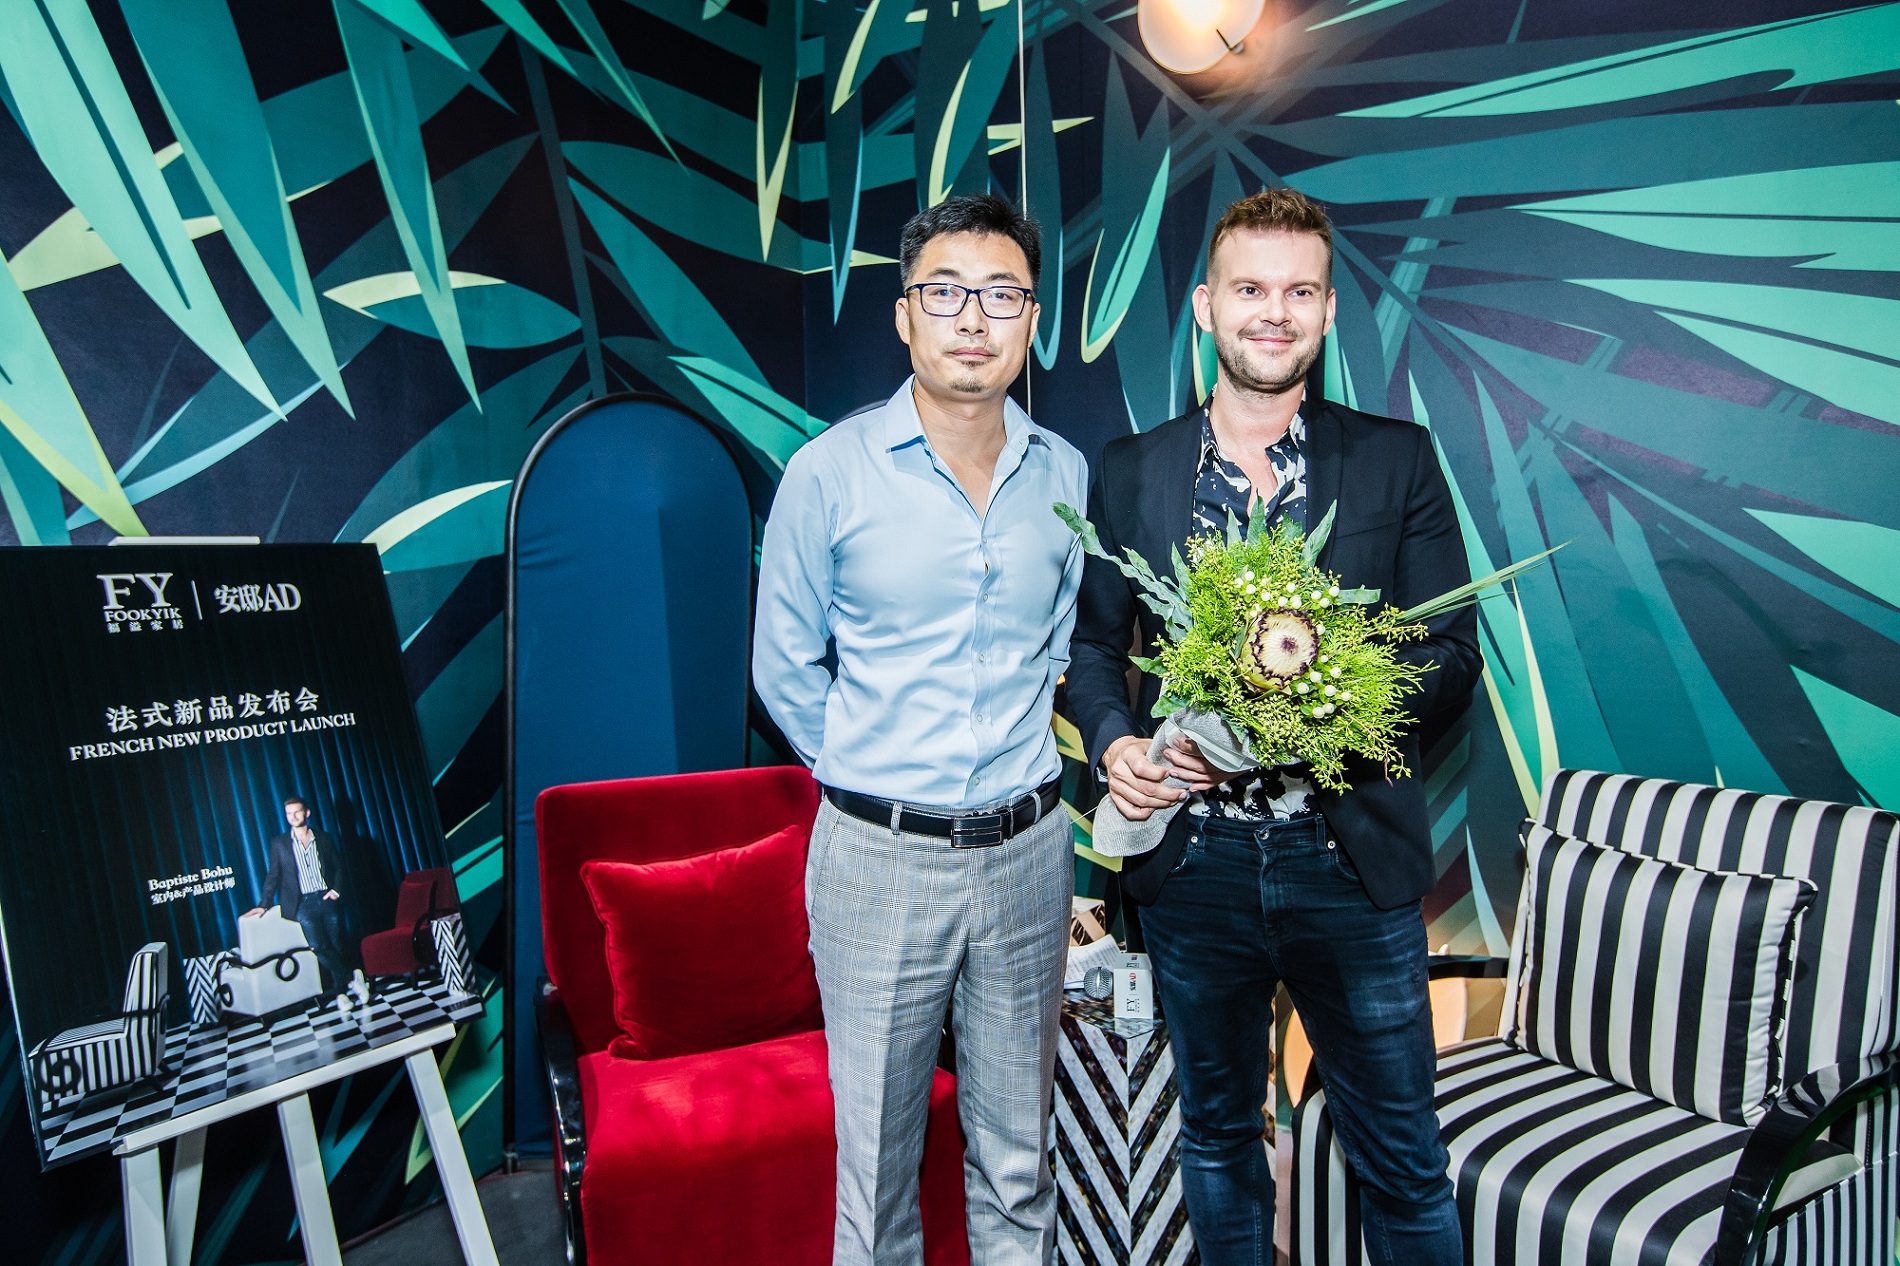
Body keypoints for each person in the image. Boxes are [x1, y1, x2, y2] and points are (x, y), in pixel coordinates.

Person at [1064, 188, 1479, 1266]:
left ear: (1329, 313)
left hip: (1349, 861)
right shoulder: (1130, 468)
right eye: (1250, 288)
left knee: (1403, 1162)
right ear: (1207, 307)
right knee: (1215, 1138)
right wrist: (1115, 744)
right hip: (1193, 867)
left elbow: (1451, 659)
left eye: (1300, 292)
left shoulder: (1396, 459)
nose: (1274, 312)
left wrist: (1318, 705)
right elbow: (1095, 651)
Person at [754, 192, 1086, 1266]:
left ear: (1032, 319)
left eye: (1001, 295)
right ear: (904, 315)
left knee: (1019, 1160)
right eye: (944, 293)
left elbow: (1057, 647)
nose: (972, 320)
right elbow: (782, 667)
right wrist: (873, 775)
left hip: (1030, 854)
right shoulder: (828, 471)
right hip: (878, 860)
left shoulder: (1065, 473)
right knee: (877, 1175)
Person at [244, 795, 351, 992]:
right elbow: (273, 875)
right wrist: (264, 904)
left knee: (337, 944)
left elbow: (338, 866)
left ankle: (341, 992)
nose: (292, 817)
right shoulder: (279, 843)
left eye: (297, 812)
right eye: (288, 814)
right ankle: (351, 979)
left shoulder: (324, 838)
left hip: (326, 898)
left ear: (306, 813)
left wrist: (336, 890)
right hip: (302, 903)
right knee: (318, 946)